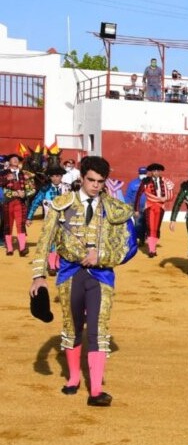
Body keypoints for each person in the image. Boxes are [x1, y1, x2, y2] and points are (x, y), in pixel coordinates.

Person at [29, 156, 136, 407]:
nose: (95, 186)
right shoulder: (61, 204)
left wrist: (102, 256)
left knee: (98, 330)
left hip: (101, 275)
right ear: (81, 178)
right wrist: (38, 275)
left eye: (100, 181)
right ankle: (74, 378)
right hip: (69, 273)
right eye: (91, 180)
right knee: (72, 326)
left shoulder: (115, 208)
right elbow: (45, 241)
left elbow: (128, 247)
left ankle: (96, 390)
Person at [26, 166, 71, 274]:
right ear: (50, 177)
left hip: (65, 221)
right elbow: (35, 202)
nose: (56, 179)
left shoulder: (68, 188)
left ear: (61, 176)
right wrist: (29, 217)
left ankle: (58, 264)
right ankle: (52, 265)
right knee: (51, 242)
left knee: (63, 242)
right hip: (50, 220)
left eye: (58, 176)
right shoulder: (44, 189)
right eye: (53, 176)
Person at [134, 163, 174, 257]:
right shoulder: (146, 181)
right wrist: (136, 209)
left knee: (156, 228)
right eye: (154, 171)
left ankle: (153, 247)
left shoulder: (165, 181)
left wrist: (166, 198)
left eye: (158, 171)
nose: (156, 172)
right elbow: (138, 195)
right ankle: (151, 250)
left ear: (160, 172)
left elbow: (170, 195)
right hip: (150, 207)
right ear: (151, 172)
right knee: (151, 227)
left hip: (160, 207)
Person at [2, 154, 36, 256]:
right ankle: (9, 248)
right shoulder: (3, 174)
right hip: (8, 202)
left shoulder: (25, 174)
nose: (15, 160)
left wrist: (25, 193)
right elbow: (1, 186)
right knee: (8, 225)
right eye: (13, 159)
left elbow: (32, 188)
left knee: (21, 225)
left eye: (17, 159)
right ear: (9, 161)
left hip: (20, 203)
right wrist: (14, 193)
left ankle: (22, 248)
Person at [125, 167, 148, 246]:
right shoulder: (133, 183)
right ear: (138, 174)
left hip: (148, 207)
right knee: (138, 224)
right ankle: (140, 239)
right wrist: (129, 206)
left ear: (147, 173)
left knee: (147, 224)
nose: (143, 175)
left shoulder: (150, 183)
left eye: (144, 173)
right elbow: (128, 196)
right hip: (136, 207)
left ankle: (145, 237)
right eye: (141, 173)